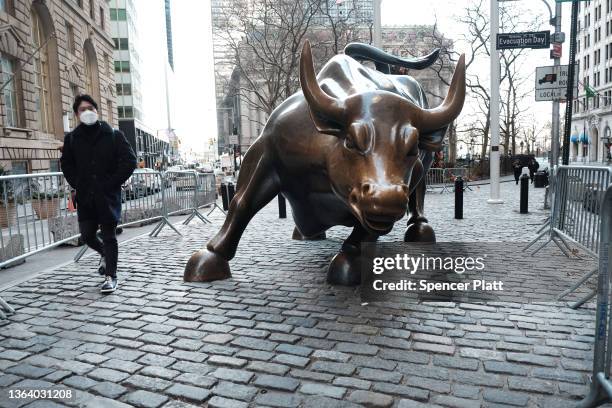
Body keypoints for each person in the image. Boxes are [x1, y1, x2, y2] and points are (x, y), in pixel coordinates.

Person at [60, 95, 137, 293]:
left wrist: (111, 183)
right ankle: (105, 254)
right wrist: (77, 182)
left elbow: (129, 161)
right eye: (82, 109)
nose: (87, 112)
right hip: (86, 197)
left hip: (107, 196)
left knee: (109, 236)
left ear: (97, 110)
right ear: (77, 114)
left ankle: (111, 276)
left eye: (90, 108)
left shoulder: (113, 134)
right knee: (87, 235)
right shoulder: (71, 139)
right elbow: (67, 165)